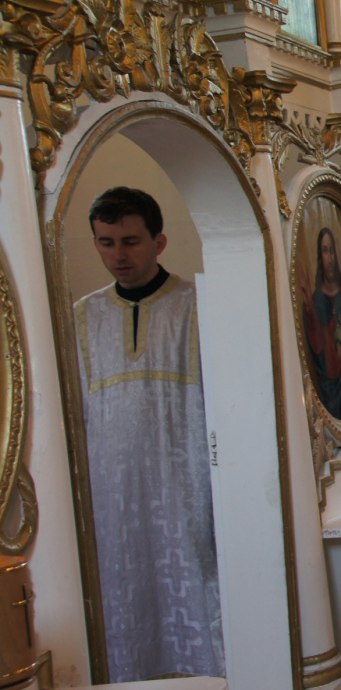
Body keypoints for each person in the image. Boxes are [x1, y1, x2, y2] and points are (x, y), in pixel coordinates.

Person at [74, 187, 223, 682]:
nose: (118, 255)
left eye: (131, 241)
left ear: (159, 242)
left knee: (195, 589)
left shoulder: (197, 306)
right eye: (106, 242)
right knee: (124, 607)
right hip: (112, 505)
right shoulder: (81, 317)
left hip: (185, 489)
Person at [299, 227, 341, 420]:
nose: (329, 258)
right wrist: (310, 307)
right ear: (320, 257)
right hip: (330, 391)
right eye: (324, 251)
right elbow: (318, 347)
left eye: (331, 251)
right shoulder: (317, 299)